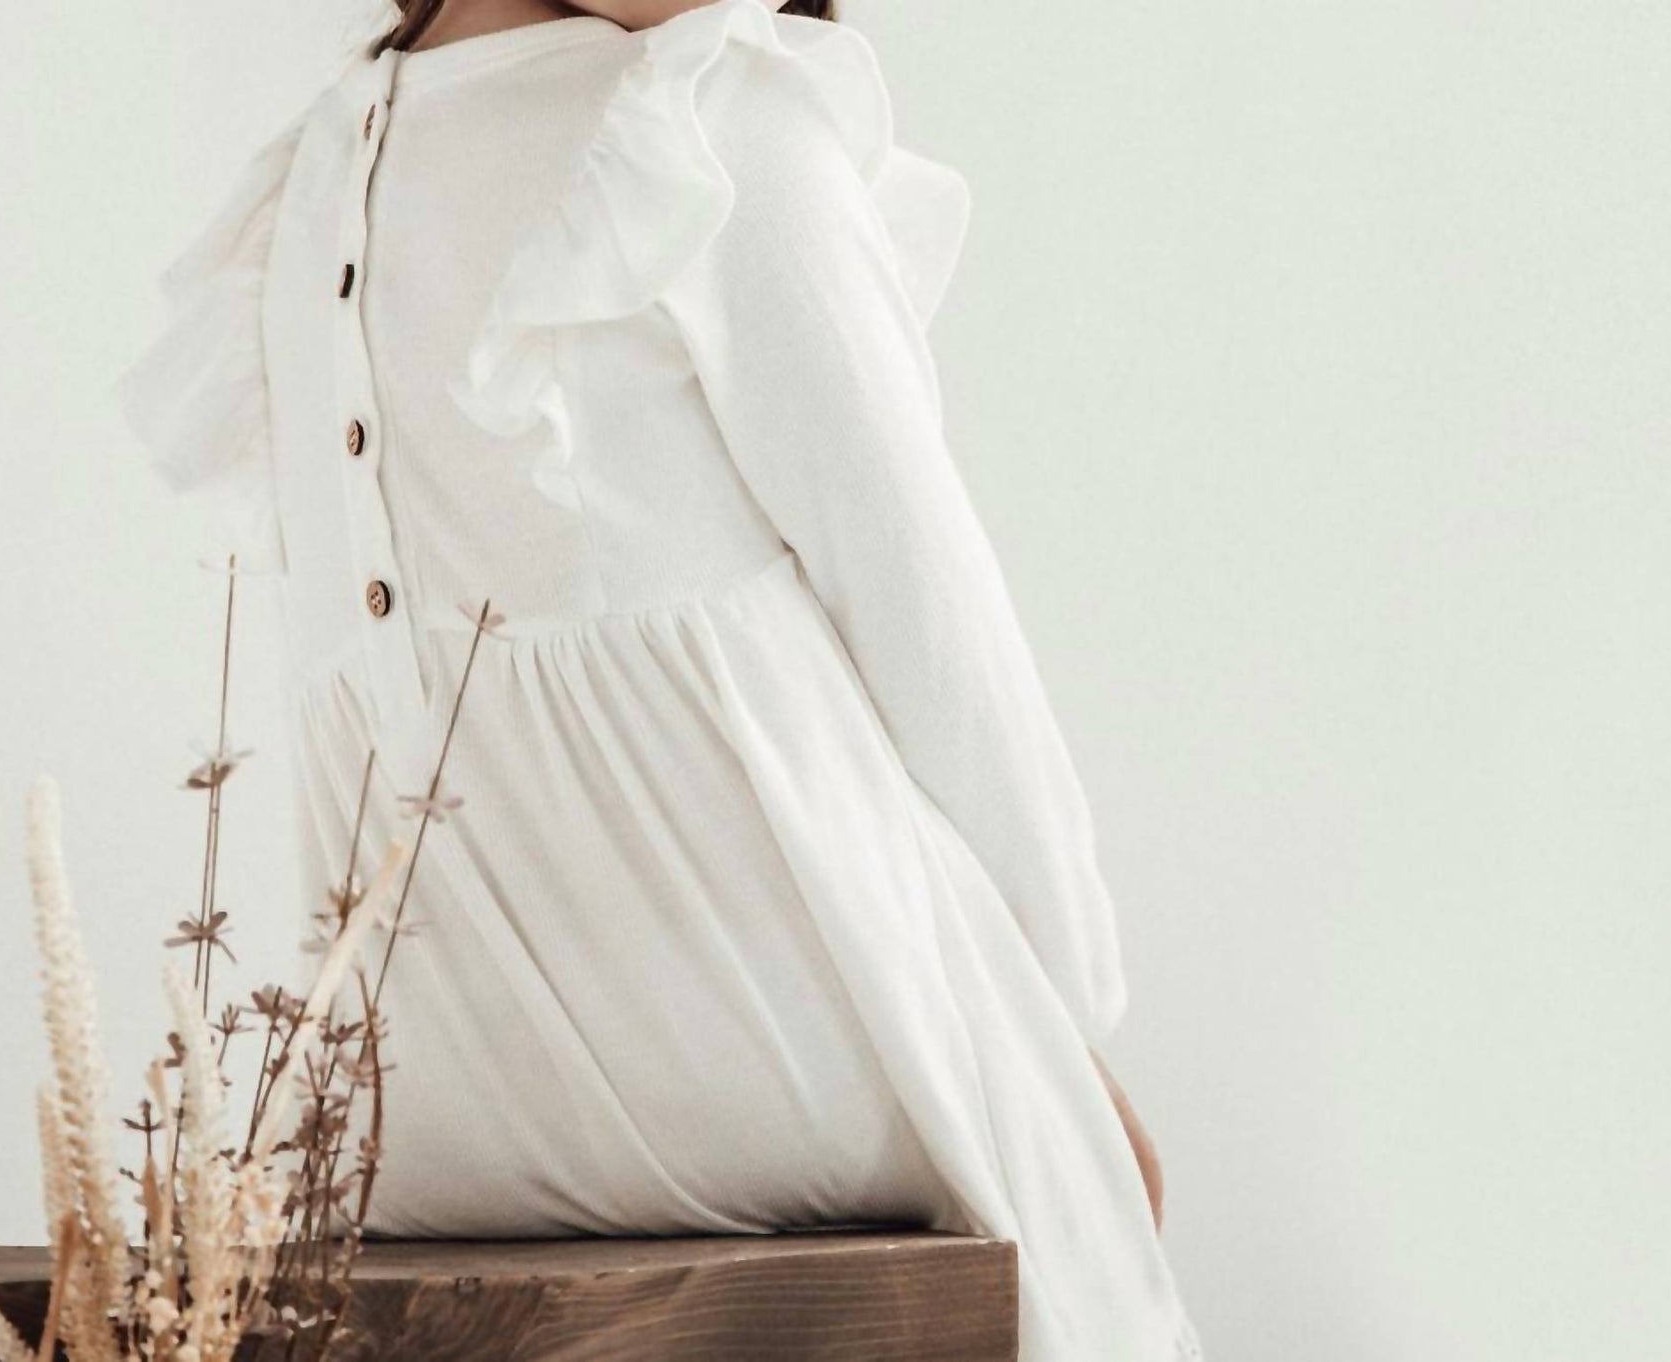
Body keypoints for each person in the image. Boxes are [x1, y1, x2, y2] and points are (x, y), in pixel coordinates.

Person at [117, 0, 1203, 1354]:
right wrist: (1063, 1038)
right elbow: (937, 630)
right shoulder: (711, 129)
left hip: (417, 1134)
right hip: (796, 1073)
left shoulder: (306, 191)